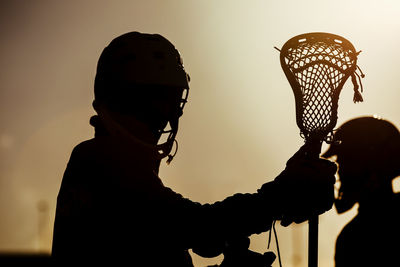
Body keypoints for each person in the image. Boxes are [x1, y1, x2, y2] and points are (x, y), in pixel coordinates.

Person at [51, 31, 336, 266]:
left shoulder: (111, 162)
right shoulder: (103, 161)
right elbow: (197, 227)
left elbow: (154, 246)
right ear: (128, 100)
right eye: (160, 100)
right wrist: (276, 197)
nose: (167, 114)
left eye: (172, 101)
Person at [322, 116, 400, 267]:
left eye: (346, 161)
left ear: (373, 164)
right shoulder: (352, 234)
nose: (340, 172)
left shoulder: (353, 237)